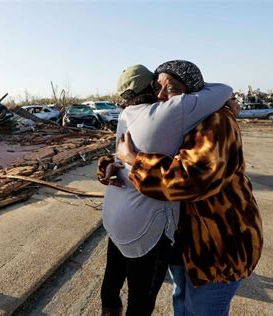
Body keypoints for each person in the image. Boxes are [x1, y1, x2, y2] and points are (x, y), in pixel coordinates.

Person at [108, 60, 263, 316]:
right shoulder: (177, 118)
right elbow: (152, 147)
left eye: (171, 89)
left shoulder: (217, 122)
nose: (160, 96)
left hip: (217, 247)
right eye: (157, 87)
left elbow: (192, 181)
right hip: (184, 245)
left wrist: (134, 161)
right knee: (181, 304)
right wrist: (110, 165)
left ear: (193, 93)